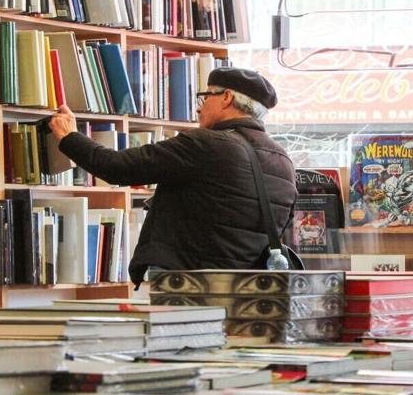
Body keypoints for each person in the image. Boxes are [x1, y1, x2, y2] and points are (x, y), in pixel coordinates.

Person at [47, 66, 296, 282]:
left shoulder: (206, 144)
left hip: (191, 280)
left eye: (205, 97)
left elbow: (117, 168)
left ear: (226, 97)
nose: (199, 109)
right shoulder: (282, 159)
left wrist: (69, 137)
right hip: (247, 284)